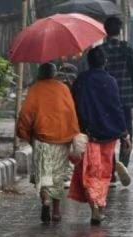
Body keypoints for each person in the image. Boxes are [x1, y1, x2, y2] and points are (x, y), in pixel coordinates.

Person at [69, 47, 131, 224]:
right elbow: (116, 108)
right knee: (104, 173)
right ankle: (100, 205)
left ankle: (95, 207)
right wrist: (124, 134)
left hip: (88, 134)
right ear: (105, 62)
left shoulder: (81, 80)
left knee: (90, 173)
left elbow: (74, 106)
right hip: (108, 136)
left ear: (89, 62)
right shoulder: (110, 81)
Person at [16, 63, 80, 223]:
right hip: (62, 137)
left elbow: (26, 114)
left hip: (41, 138)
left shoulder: (35, 90)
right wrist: (72, 134)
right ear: (54, 74)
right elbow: (71, 112)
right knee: (58, 176)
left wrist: (24, 134)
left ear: (39, 75)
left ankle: (45, 201)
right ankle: (57, 211)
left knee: (44, 174)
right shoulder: (64, 89)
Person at [96, 16, 133, 187]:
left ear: (105, 31)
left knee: (108, 137)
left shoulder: (100, 51)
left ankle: (111, 172)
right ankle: (123, 164)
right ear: (120, 31)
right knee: (126, 135)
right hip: (125, 99)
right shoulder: (128, 49)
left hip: (105, 100)